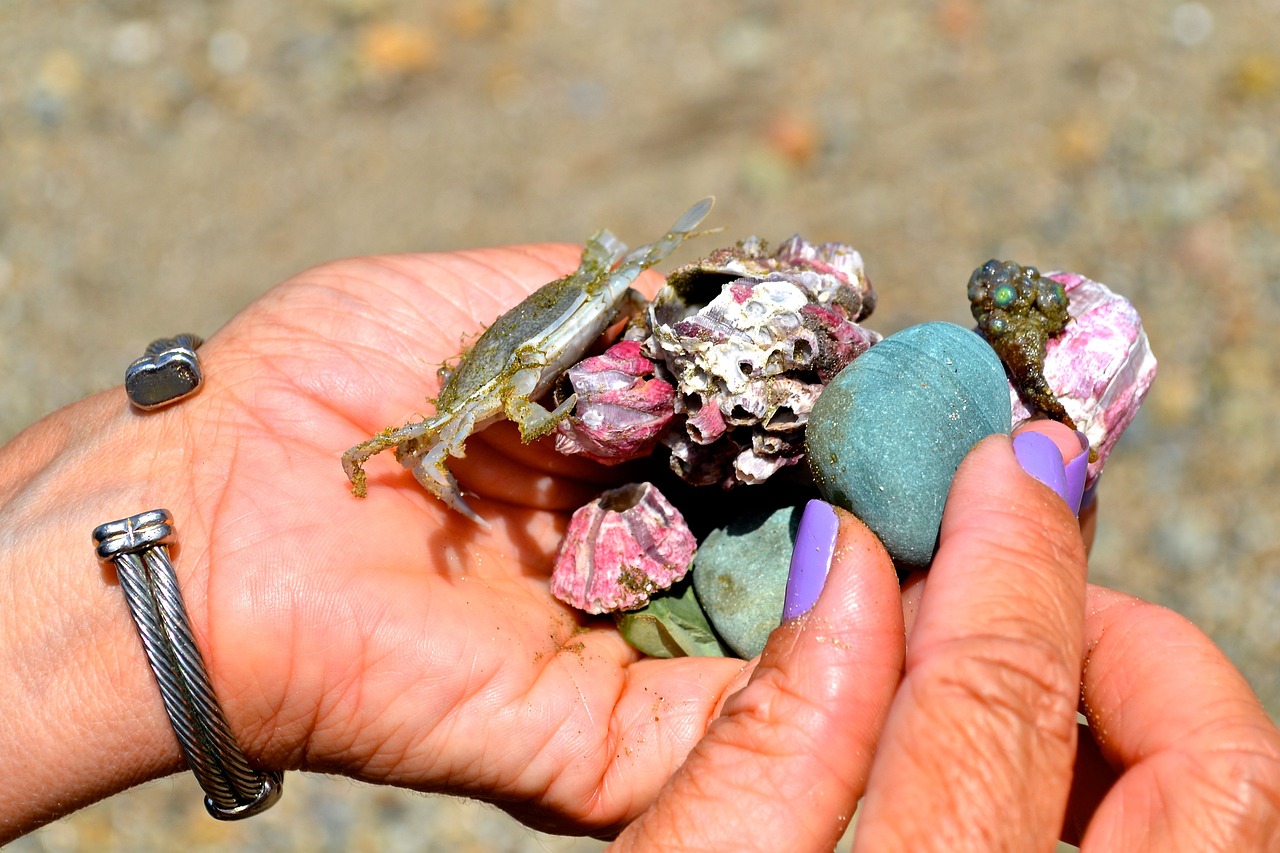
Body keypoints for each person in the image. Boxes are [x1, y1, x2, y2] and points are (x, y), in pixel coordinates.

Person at [1, 243, 1276, 850]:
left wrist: (206, 496)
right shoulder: (460, 414)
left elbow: (620, 277)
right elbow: (432, 421)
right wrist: (224, 470)